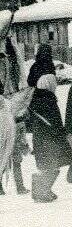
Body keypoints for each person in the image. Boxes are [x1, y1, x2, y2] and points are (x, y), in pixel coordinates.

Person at [28, 73, 72, 202]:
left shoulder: (35, 99)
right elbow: (56, 122)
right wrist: (66, 135)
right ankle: (41, 193)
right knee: (51, 167)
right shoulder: (49, 99)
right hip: (50, 139)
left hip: (39, 138)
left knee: (46, 166)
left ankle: (43, 191)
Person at [0, 15, 30, 195]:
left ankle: (18, 185)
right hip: (6, 108)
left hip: (11, 106)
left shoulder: (10, 58)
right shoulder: (5, 60)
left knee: (15, 149)